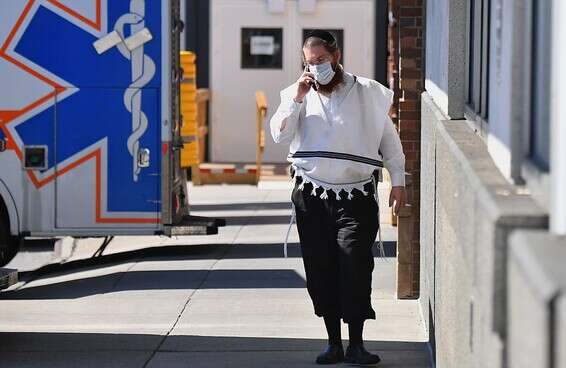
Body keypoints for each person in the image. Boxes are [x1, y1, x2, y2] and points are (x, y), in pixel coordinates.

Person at [269, 30, 406, 365]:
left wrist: (399, 181)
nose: (316, 67)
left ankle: (356, 343)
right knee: (321, 267)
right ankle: (333, 343)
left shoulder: (369, 92)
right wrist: (297, 98)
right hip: (311, 196)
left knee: (355, 264)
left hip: (356, 195)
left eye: (321, 60)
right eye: (310, 62)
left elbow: (389, 140)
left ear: (336, 55)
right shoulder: (295, 93)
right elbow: (279, 135)